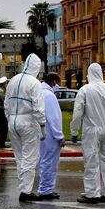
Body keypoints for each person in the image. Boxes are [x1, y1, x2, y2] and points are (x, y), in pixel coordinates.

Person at [70, 63, 105, 204]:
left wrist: (74, 130)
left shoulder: (85, 90)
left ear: (89, 74)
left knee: (91, 161)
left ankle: (92, 194)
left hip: (92, 130)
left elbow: (78, 112)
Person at [4, 53, 46, 202]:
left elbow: (6, 104)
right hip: (28, 122)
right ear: (37, 67)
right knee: (30, 157)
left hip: (13, 122)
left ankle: (23, 187)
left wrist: (10, 118)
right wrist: (42, 126)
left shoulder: (13, 80)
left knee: (20, 157)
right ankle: (26, 192)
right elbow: (38, 108)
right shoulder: (34, 83)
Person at [38, 72, 64, 200]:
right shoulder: (49, 95)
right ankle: (45, 189)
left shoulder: (40, 92)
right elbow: (54, 118)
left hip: (42, 133)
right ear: (53, 82)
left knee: (45, 160)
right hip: (51, 135)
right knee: (50, 162)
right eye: (58, 83)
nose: (58, 86)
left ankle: (47, 188)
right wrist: (59, 136)